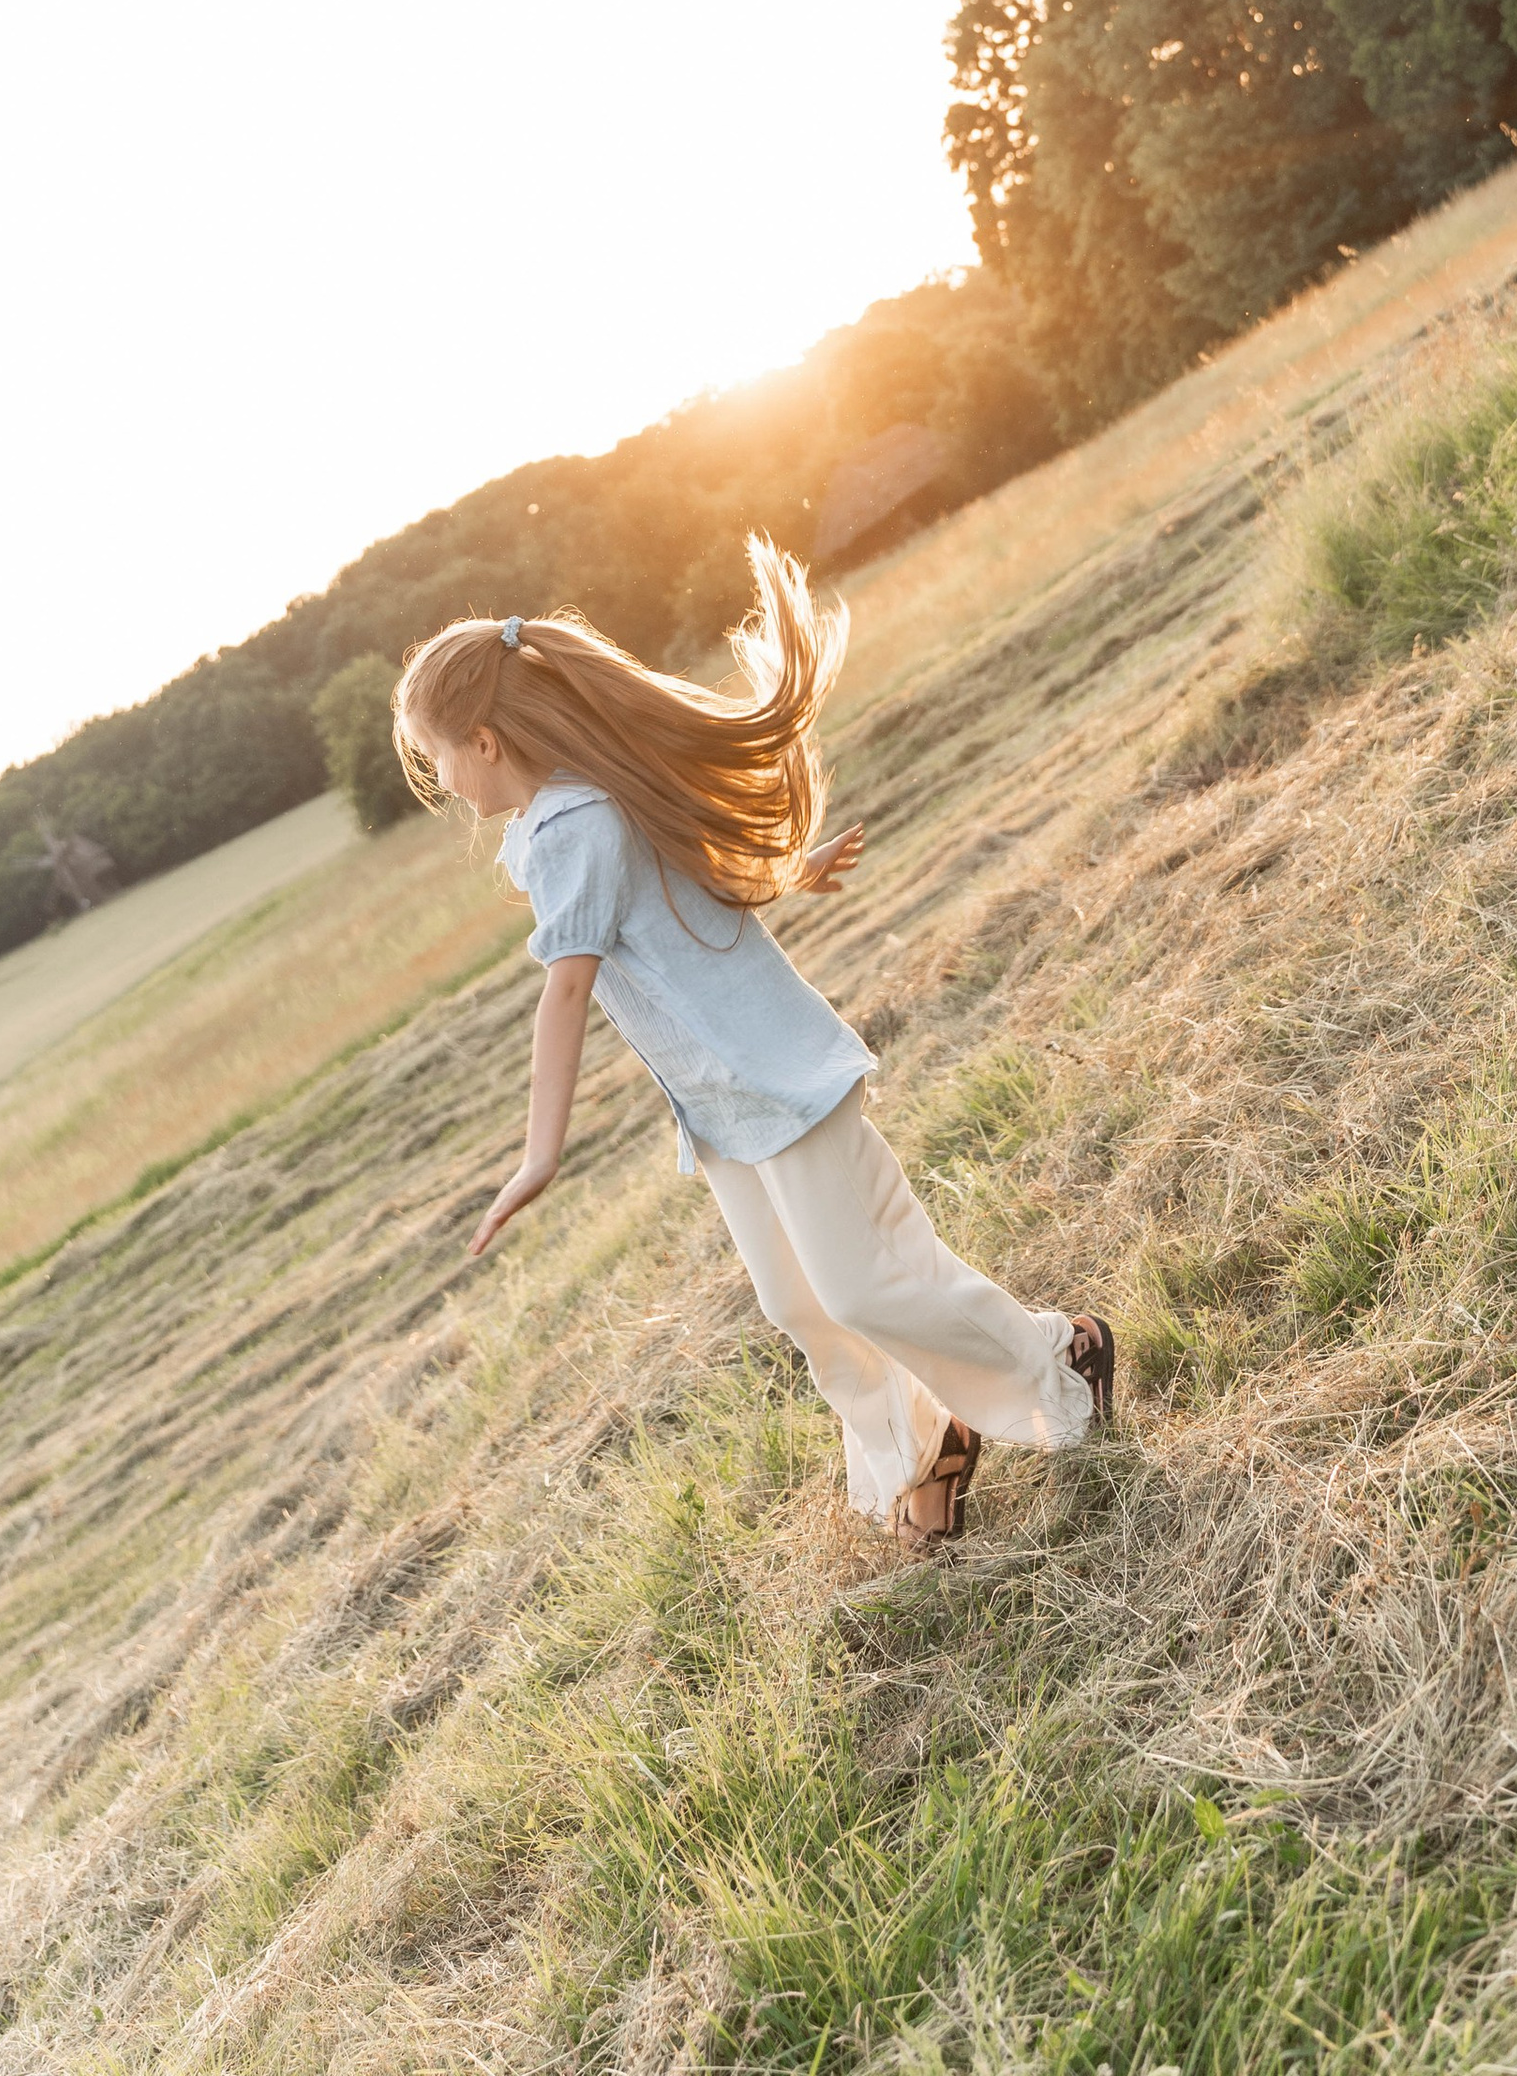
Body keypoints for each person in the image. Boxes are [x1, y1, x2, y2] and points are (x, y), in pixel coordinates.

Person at [394, 539, 1113, 1550]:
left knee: (865, 1283)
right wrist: (784, 874)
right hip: (723, 1106)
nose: (441, 783)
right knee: (799, 1305)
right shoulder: (566, 818)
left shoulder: (572, 828)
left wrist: (538, 1155)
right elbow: (674, 886)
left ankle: (1060, 1355)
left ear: (484, 740)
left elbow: (567, 991)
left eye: (437, 761)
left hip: (778, 1079)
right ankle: (924, 1448)